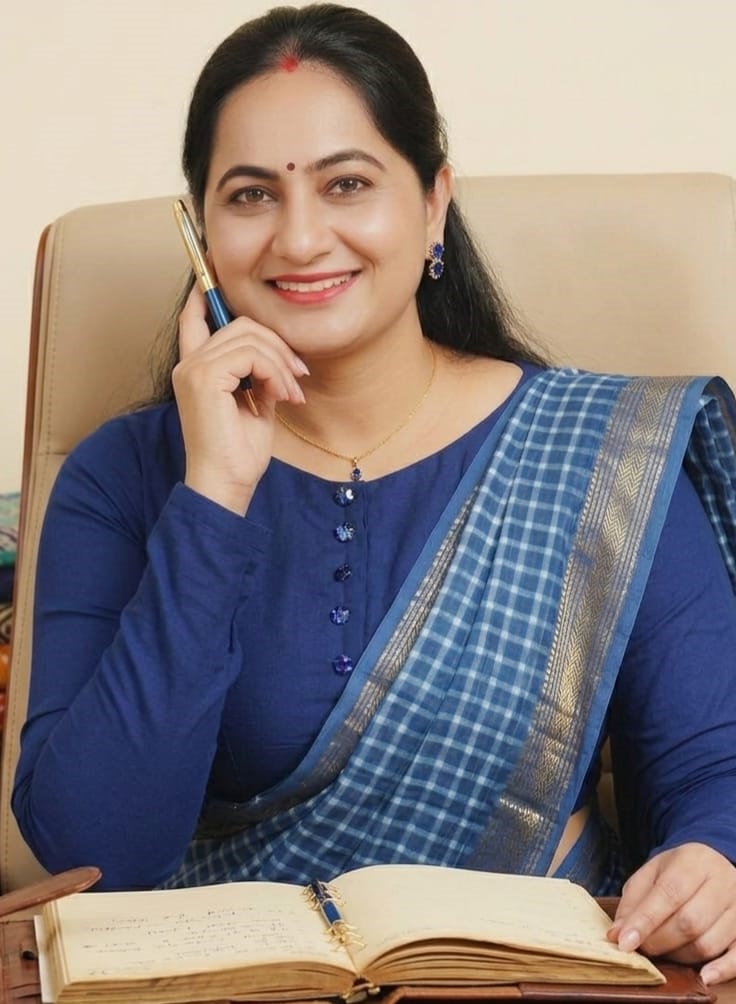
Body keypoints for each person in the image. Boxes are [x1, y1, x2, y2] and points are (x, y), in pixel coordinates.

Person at [12, 1, 736, 986]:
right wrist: (213, 494)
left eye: (346, 183)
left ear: (434, 203)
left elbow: (712, 772)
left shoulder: (605, 454)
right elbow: (97, 853)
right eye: (251, 195)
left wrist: (712, 860)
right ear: (200, 234)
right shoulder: (123, 474)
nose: (301, 237)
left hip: (530, 984)